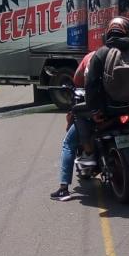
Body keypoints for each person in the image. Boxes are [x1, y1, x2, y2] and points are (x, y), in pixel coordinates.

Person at [50, 51, 96, 201]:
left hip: (94, 108)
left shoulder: (91, 57)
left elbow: (76, 79)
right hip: (119, 107)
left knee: (68, 144)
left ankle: (64, 189)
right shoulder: (122, 55)